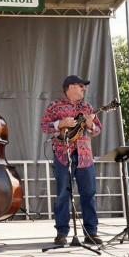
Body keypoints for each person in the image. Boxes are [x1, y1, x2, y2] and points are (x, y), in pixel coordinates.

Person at [40, 75, 103, 245]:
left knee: (88, 194)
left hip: (84, 156)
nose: (83, 89)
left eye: (83, 86)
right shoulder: (55, 105)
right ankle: (62, 232)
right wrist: (60, 123)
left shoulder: (88, 107)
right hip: (62, 155)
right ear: (70, 87)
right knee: (62, 195)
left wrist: (90, 125)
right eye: (80, 86)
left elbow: (97, 130)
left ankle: (91, 232)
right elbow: (44, 126)